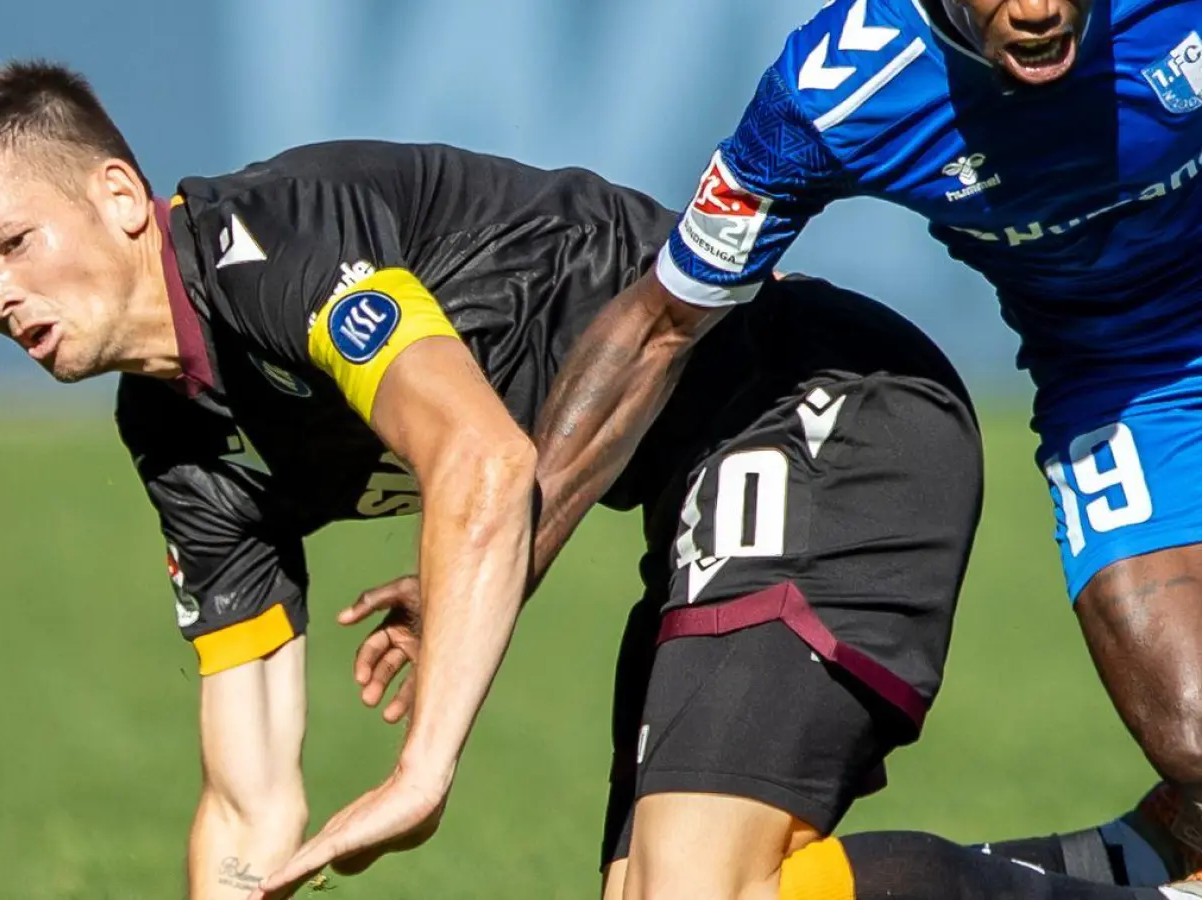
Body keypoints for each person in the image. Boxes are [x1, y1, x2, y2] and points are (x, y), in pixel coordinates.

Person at [254, 0, 1202, 896]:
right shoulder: (837, 92)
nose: (1038, 10)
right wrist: (499, 563)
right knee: (1194, 742)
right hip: (1121, 387)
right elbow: (657, 328)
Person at [0, 58, 679, 899]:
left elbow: (484, 460)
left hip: (775, 399)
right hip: (681, 501)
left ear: (118, 196)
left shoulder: (267, 246)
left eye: (13, 244)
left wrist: (420, 773)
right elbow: (245, 806)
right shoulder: (171, 433)